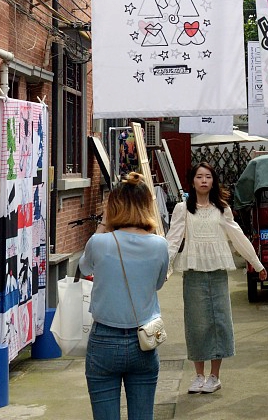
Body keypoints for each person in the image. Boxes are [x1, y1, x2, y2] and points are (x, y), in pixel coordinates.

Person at [166, 160, 268, 395]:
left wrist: (256, 263)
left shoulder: (222, 208)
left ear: (213, 181)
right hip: (193, 272)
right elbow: (173, 240)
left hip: (218, 271)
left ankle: (215, 376)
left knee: (219, 322)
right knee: (196, 323)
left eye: (208, 177)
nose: (204, 180)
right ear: (192, 181)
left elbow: (239, 237)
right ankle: (198, 376)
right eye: (199, 176)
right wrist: (163, 267)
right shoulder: (183, 209)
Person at [79, 173, 169, 420]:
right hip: (144, 339)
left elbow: (85, 268)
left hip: (105, 340)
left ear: (113, 207)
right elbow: (158, 284)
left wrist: (103, 223)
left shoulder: (99, 242)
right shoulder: (160, 245)